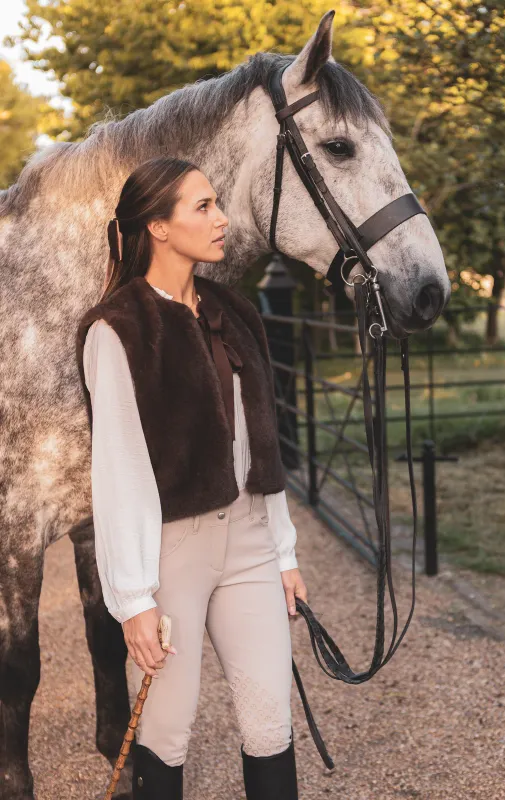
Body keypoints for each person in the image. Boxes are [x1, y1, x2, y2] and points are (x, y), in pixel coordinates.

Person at [75, 155, 308, 800]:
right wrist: (133, 599)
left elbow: (264, 441)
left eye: (217, 204)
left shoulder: (235, 311)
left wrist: (283, 549)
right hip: (172, 555)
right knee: (167, 729)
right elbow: (117, 470)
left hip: (252, 542)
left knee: (270, 721)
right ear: (157, 224)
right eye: (202, 207)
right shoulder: (116, 329)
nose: (222, 219)